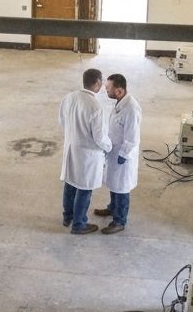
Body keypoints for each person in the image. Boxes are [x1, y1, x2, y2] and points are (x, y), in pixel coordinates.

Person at [58, 68, 113, 235]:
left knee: (70, 184)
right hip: (87, 155)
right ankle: (79, 224)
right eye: (101, 82)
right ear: (97, 83)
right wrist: (109, 147)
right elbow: (99, 137)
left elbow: (61, 121)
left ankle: (68, 217)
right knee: (84, 188)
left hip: (71, 148)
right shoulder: (95, 106)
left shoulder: (69, 98)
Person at [95, 73, 143, 234]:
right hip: (113, 151)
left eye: (108, 88)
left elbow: (132, 137)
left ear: (119, 91)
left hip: (123, 155)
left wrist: (124, 154)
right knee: (114, 183)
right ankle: (112, 208)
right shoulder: (120, 102)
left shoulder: (131, 109)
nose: (105, 90)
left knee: (122, 187)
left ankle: (119, 220)